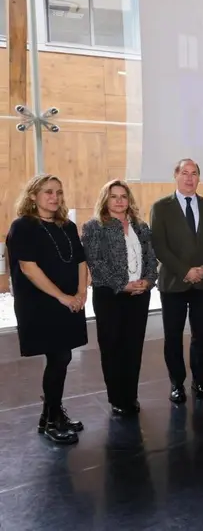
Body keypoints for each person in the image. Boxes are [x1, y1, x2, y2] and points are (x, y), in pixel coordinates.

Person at [6, 175, 87, 444]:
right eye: (48, 192)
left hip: (69, 301)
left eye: (59, 192)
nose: (55, 197)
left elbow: (80, 262)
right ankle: (53, 419)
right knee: (59, 357)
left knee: (60, 358)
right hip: (40, 304)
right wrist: (63, 297)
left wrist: (81, 292)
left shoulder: (68, 226)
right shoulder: (23, 227)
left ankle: (50, 414)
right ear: (33, 196)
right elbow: (29, 268)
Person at [82, 180, 158, 417]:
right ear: (105, 199)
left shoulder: (141, 226)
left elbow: (151, 258)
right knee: (112, 347)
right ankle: (117, 397)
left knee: (133, 347)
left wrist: (147, 281)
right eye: (113, 196)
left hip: (139, 295)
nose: (119, 201)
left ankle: (131, 395)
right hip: (110, 296)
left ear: (129, 199)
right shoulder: (94, 227)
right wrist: (123, 285)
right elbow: (96, 263)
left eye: (123, 196)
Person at [150, 158, 203, 403]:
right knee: (173, 335)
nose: (189, 178)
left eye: (194, 173)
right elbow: (159, 246)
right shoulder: (161, 207)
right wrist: (185, 270)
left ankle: (199, 381)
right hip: (173, 282)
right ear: (176, 176)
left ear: (199, 178)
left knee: (202, 335)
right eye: (185, 173)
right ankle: (177, 384)